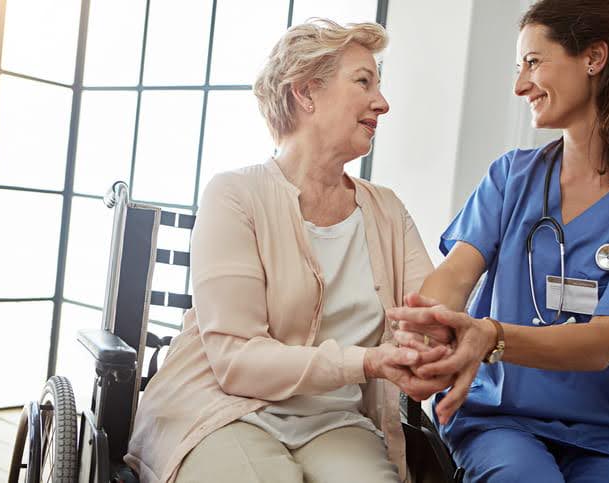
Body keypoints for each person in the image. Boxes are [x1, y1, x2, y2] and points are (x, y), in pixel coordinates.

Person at [125, 19, 449, 483]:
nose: (382, 102)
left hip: (333, 420)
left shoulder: (387, 211)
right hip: (221, 409)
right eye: (363, 81)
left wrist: (432, 348)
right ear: (305, 92)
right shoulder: (235, 195)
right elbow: (235, 361)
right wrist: (367, 361)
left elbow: (428, 317)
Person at [388, 1, 609, 482]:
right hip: (500, 418)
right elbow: (456, 274)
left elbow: (602, 344)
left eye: (533, 62)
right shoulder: (511, 177)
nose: (519, 85)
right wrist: (425, 332)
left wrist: (489, 336)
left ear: (593, 58)